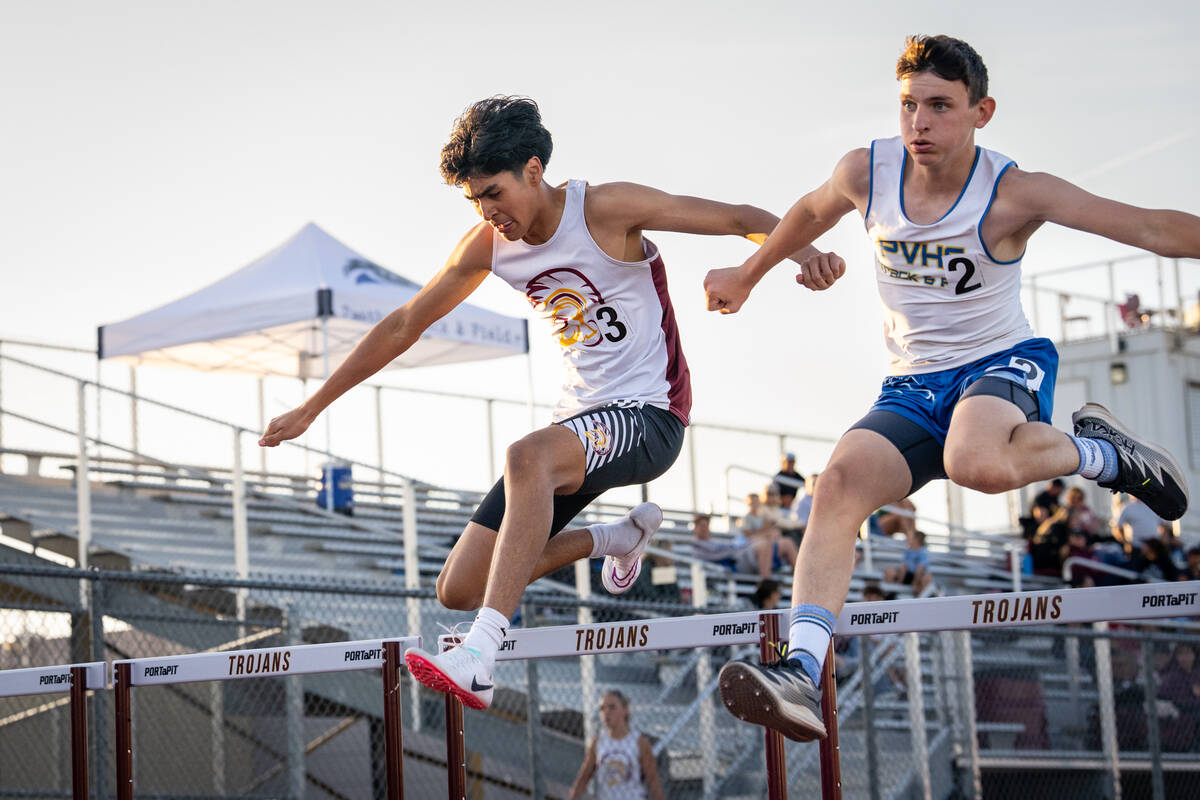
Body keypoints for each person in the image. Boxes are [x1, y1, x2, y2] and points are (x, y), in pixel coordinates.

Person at [258, 97, 832, 710]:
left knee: (525, 457)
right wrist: (313, 407)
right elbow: (405, 323)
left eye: (496, 193)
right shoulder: (487, 246)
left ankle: (481, 653)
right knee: (460, 586)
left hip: (650, 415)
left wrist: (800, 256)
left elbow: (739, 216)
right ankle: (611, 539)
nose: (489, 212)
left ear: (534, 170)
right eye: (475, 199)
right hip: (579, 428)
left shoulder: (606, 209)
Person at [705, 35, 1194, 743]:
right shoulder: (864, 172)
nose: (919, 124)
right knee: (837, 486)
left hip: (1000, 362)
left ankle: (1103, 456)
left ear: (980, 112)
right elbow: (811, 213)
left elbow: (1146, 225)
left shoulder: (1013, 193)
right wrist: (748, 276)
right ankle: (801, 675)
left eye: (939, 106)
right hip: (911, 384)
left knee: (977, 462)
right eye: (908, 106)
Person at [569, 690, 663, 800]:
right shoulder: (599, 742)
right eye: (602, 708)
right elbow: (584, 778)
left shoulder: (639, 742)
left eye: (612, 707)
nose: (606, 712)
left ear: (625, 710)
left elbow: (653, 782)